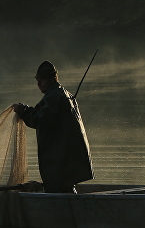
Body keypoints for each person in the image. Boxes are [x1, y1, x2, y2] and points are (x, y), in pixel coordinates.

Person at [12, 61, 93, 193]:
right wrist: (26, 110)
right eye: (37, 81)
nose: (38, 84)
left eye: (42, 80)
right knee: (65, 188)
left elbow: (40, 120)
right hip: (66, 162)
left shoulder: (55, 97)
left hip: (60, 162)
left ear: (53, 78)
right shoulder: (62, 94)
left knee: (60, 189)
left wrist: (24, 112)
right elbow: (42, 115)